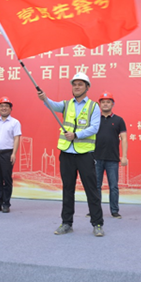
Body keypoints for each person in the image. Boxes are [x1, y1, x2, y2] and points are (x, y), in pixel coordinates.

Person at [37, 72, 105, 237]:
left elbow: (95, 128)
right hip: (67, 153)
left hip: (85, 154)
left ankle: (97, 223)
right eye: (74, 84)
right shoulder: (66, 104)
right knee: (67, 190)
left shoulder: (94, 106)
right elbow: (53, 105)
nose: (77, 87)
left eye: (80, 84)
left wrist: (76, 135)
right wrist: (44, 98)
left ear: (87, 87)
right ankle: (67, 223)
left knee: (91, 190)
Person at [94, 91, 128, 219]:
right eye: (103, 102)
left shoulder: (119, 120)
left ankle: (114, 211)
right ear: (99, 104)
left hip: (112, 159)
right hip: (96, 158)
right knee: (95, 186)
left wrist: (124, 156)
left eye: (108, 102)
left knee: (113, 186)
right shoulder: (94, 119)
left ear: (112, 104)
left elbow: (124, 139)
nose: (105, 104)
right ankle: (94, 210)